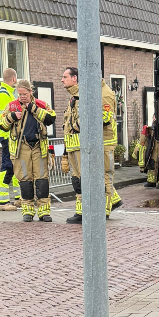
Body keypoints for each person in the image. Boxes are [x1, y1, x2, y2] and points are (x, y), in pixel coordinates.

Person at [60, 67, 124, 218]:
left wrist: (78, 126)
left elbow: (104, 116)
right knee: (92, 177)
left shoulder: (104, 93)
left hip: (104, 142)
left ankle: (104, 212)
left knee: (104, 177)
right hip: (91, 142)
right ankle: (109, 203)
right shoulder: (86, 93)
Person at [0, 80, 58, 222]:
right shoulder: (12, 106)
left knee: (42, 180)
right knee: (25, 180)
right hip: (22, 148)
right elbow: (1, 125)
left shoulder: (41, 104)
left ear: (30, 92)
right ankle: (28, 211)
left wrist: (34, 109)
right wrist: (11, 117)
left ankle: (44, 211)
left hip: (39, 147)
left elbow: (51, 118)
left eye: (24, 94)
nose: (21, 97)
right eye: (19, 94)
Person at [0, 68, 20, 211]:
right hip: (6, 136)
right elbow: (6, 118)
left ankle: (17, 198)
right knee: (7, 166)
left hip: (9, 136)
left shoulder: (7, 93)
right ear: (13, 79)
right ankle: (3, 202)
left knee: (14, 166)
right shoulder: (4, 94)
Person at [61, 68, 83, 224]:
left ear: (74, 78)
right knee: (76, 181)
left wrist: (76, 127)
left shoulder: (81, 96)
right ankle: (80, 212)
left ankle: (86, 211)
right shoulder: (72, 99)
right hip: (72, 148)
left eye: (65, 77)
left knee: (83, 180)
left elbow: (86, 117)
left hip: (82, 148)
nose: (62, 80)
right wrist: (64, 153)